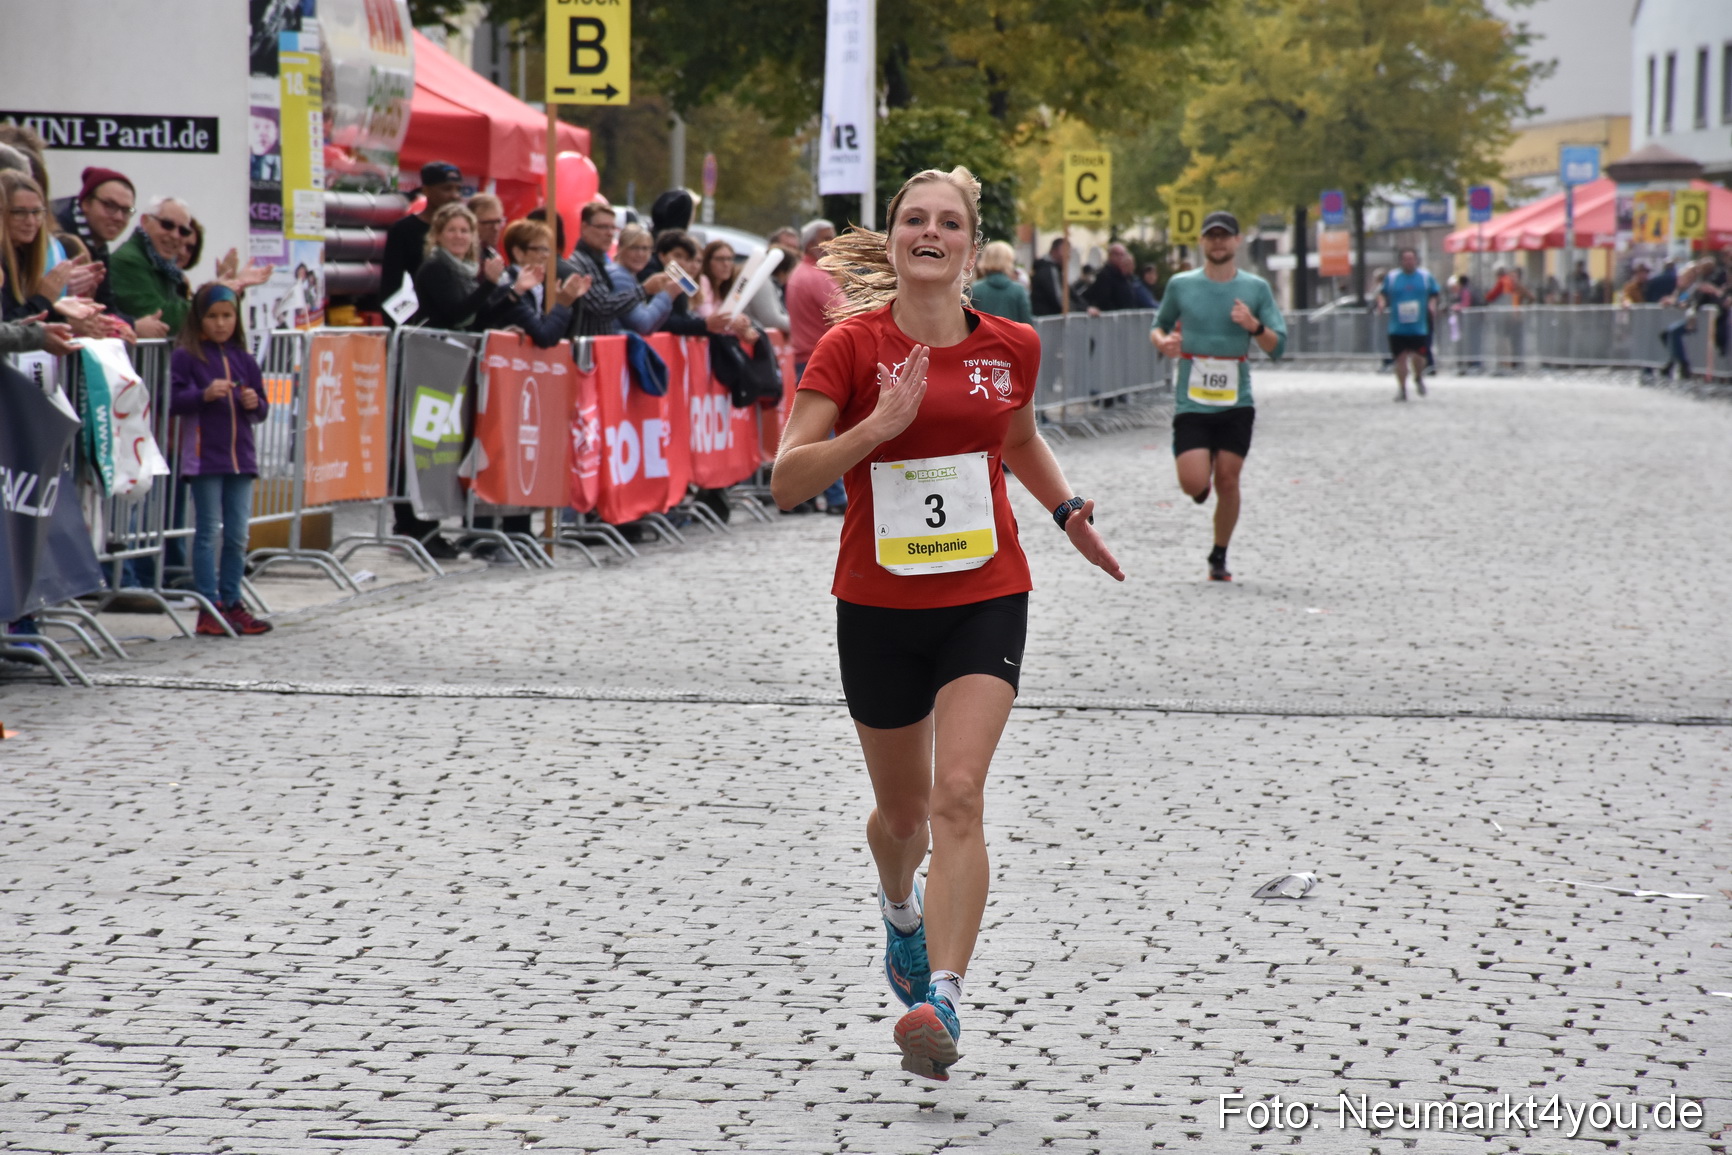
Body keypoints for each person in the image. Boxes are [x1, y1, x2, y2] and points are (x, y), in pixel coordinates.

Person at [771, 165, 1124, 1083]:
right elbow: (786, 479)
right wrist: (874, 428)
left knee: (959, 791)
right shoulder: (850, 349)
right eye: (913, 220)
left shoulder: (1010, 343)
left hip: (985, 592)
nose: (931, 232)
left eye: (949, 223)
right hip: (879, 605)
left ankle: (946, 998)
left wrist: (1066, 509)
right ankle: (900, 910)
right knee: (902, 816)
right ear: (892, 241)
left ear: (971, 246)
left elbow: (1015, 438)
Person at [1150, 210, 1286, 582]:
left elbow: (1278, 345)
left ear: (1237, 241)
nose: (1218, 242)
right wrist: (1166, 343)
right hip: (1192, 400)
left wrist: (1254, 326)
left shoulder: (1256, 289)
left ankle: (1219, 554)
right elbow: (1158, 327)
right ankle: (1200, 481)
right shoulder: (1181, 285)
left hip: (1235, 402)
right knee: (1194, 483)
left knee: (1229, 479)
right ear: (1202, 241)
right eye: (1212, 236)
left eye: (1225, 236)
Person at [168, 283, 273, 637]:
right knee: (208, 531)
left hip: (241, 459)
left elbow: (262, 406)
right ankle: (208, 605)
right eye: (213, 316)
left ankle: (233, 601)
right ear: (199, 318)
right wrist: (203, 394)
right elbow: (173, 400)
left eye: (227, 315)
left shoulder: (244, 358)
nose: (221, 323)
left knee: (238, 535)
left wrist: (253, 404)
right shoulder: (186, 356)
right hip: (203, 459)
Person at [785, 218, 847, 513]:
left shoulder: (799, 274)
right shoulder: (819, 278)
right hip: (822, 358)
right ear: (812, 244)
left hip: (804, 357)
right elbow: (847, 318)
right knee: (828, 431)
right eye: (828, 238)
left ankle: (809, 493)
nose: (834, 242)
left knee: (808, 431)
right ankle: (835, 496)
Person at [53, 166, 151, 334]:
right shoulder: (56, 235)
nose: (119, 217)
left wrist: (122, 325)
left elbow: (105, 304)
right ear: (86, 204)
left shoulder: (98, 242)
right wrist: (133, 326)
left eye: (126, 210)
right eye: (109, 205)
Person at [568, 201, 668, 337]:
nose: (609, 233)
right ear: (584, 228)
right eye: (603, 227)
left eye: (612, 228)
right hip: (585, 352)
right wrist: (648, 290)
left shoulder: (598, 262)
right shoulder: (581, 262)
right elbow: (603, 307)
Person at [408, 203, 511, 331]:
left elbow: (484, 317)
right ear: (438, 236)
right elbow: (456, 315)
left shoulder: (468, 270)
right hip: (432, 345)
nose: (459, 236)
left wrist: (515, 294)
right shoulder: (435, 267)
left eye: (464, 231)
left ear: (473, 236)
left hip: (460, 346)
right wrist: (489, 283)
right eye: (451, 230)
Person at [486, 219, 589, 344]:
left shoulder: (536, 286)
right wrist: (562, 304)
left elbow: (550, 331)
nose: (546, 255)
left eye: (548, 250)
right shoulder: (509, 286)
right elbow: (544, 336)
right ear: (518, 252)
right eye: (540, 249)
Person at [380, 161, 465, 314]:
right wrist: (398, 329)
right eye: (447, 188)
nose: (455, 195)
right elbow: (391, 285)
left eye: (459, 189)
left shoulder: (465, 230)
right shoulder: (403, 230)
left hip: (457, 319)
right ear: (426, 190)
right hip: (417, 322)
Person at [109, 194, 196, 334]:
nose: (175, 235)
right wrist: (209, 303)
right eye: (167, 225)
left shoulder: (166, 267)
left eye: (183, 231)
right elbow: (164, 318)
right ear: (145, 221)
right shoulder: (128, 261)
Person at [1375, 247, 1441, 401]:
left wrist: (1432, 306)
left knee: (1419, 358)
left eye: (1411, 259)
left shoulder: (1425, 276)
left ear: (1416, 260)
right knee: (1401, 359)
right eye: (1405, 259)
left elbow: (1434, 293)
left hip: (1419, 327)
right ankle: (1402, 389)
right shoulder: (1392, 277)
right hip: (1397, 327)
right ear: (1401, 261)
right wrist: (1381, 303)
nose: (1409, 262)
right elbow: (1382, 293)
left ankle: (1418, 377)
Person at [608, 222, 680, 334]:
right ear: (620, 248)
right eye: (634, 248)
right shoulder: (619, 277)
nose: (640, 254)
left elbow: (651, 327)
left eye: (646, 249)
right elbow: (642, 325)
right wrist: (666, 295)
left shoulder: (628, 275)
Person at [968, 240, 1033, 324]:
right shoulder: (1019, 290)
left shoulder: (975, 289)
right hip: (1011, 336)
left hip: (984, 336)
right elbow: (1027, 323)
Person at [1084, 243, 1139, 314]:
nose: (1120, 257)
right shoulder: (1105, 275)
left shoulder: (1125, 276)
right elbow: (1104, 301)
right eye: (1117, 254)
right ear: (1110, 255)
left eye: (1123, 255)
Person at [1029, 237, 1069, 316]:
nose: (1068, 255)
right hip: (1048, 319)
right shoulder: (1050, 270)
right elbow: (1059, 299)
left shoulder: (1051, 269)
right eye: (1065, 251)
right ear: (1055, 251)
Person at [468, 194, 506, 266]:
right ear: (472, 223)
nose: (496, 228)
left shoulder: (492, 252)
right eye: (488, 223)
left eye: (499, 221)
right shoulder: (465, 256)